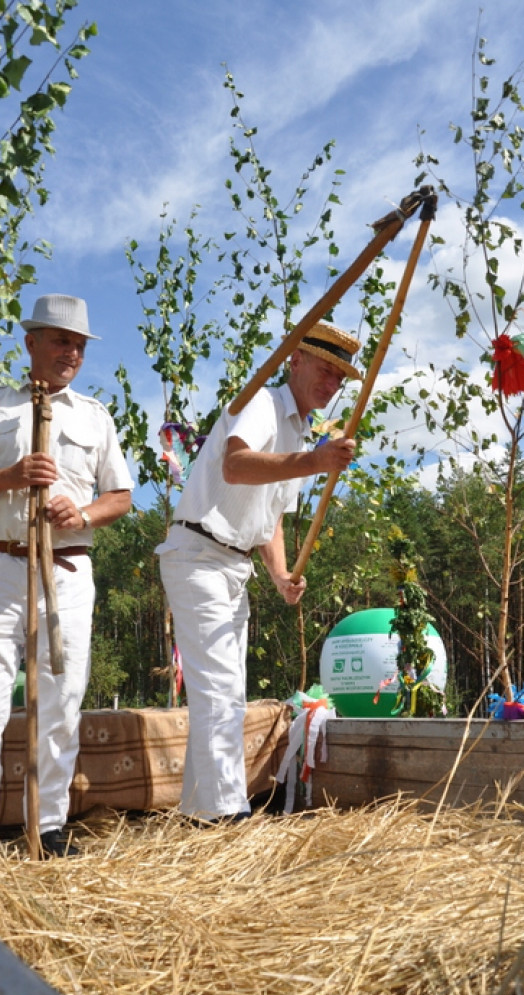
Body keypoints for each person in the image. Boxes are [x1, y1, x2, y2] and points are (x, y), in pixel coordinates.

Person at [0, 294, 134, 857]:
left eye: (78, 344)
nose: (71, 352)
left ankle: (46, 827)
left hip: (66, 572)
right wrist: (9, 476)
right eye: (60, 340)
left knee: (60, 701)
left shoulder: (96, 417)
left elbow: (120, 497)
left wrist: (83, 513)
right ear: (31, 343)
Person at [156, 321, 360, 823]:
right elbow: (236, 465)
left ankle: (200, 809)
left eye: (340, 378)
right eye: (325, 369)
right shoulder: (264, 403)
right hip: (199, 554)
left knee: (224, 689)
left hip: (233, 565)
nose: (331, 384)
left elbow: (269, 520)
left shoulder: (298, 429)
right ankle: (227, 813)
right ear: (296, 361)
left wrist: (281, 575)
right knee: (220, 689)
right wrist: (313, 461)